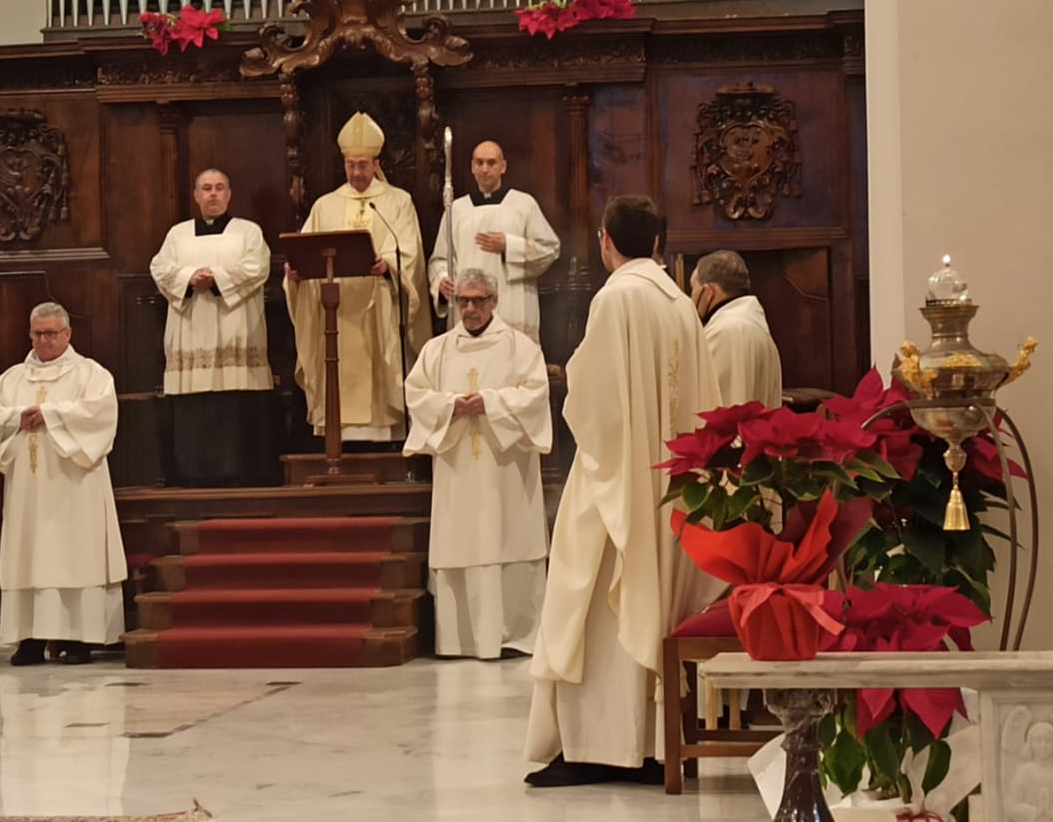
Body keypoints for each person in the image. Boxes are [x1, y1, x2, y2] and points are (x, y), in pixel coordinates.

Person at [525, 195, 725, 787]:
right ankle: (648, 743)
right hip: (669, 484)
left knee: (586, 606)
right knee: (639, 604)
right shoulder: (680, 303)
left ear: (607, 240)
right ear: (658, 243)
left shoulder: (616, 297)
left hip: (616, 483)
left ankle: (597, 749)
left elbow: (594, 404)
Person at [404, 268, 552, 661]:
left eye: (478, 301)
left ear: (495, 302)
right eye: (464, 301)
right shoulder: (437, 350)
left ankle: (515, 634)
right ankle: (460, 640)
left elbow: (536, 395)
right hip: (458, 469)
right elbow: (416, 394)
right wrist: (451, 405)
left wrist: (492, 402)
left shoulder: (520, 347)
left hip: (506, 471)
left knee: (508, 537)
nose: (469, 309)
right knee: (463, 542)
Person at [0, 302, 126, 666]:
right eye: (37, 334)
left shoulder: (91, 374)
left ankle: (78, 640)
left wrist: (52, 415)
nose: (43, 341)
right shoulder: (13, 378)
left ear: (67, 334)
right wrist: (17, 418)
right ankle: (28, 640)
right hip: (28, 489)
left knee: (74, 555)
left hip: (74, 486)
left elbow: (100, 414)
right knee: (28, 556)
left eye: (51, 334)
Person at [284, 112, 433, 444]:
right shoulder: (326, 205)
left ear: (376, 163)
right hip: (334, 317)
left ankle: (385, 439)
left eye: (363, 165)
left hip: (377, 313)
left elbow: (409, 251)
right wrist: (294, 275)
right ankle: (337, 440)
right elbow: (306, 250)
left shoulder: (397, 202)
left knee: (379, 380)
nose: (356, 172)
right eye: (351, 165)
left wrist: (391, 267)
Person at [149, 168, 276, 487]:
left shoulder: (248, 232)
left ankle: (244, 472)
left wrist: (215, 278)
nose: (213, 194)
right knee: (195, 408)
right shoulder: (177, 235)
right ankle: (190, 472)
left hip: (236, 333)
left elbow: (257, 267)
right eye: (206, 188)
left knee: (235, 403)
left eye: (220, 188)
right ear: (196, 196)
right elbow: (160, 267)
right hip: (191, 334)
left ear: (230, 194)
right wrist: (189, 279)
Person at [429, 141, 562, 341]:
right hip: (469, 311)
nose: (485, 169)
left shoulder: (523, 204)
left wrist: (509, 247)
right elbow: (440, 258)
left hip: (512, 307)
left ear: (503, 167)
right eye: (480, 163)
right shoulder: (456, 210)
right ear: (472, 167)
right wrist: (443, 280)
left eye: (491, 163)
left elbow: (550, 249)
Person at [692, 250, 783, 410]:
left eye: (693, 288)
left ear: (708, 292)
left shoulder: (726, 331)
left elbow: (714, 404)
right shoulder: (753, 325)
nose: (691, 297)